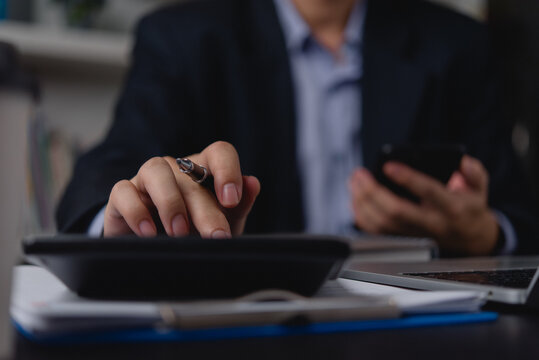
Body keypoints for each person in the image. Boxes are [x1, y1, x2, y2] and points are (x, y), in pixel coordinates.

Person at [57, 0, 538, 256]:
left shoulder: (458, 44)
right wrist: (127, 216)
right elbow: (105, 172)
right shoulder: (182, 38)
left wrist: (488, 235)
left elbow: (519, 211)